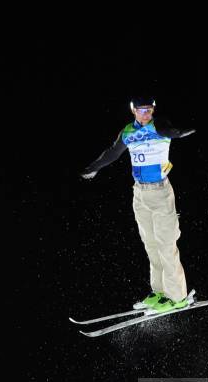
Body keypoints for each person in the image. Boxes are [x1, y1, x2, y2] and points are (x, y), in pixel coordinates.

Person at [81, 95, 196, 313]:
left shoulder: (158, 124)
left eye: (149, 110)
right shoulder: (128, 132)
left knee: (166, 244)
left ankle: (178, 296)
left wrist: (180, 133)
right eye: (141, 110)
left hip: (160, 192)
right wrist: (93, 167)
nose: (146, 114)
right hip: (140, 194)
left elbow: (170, 131)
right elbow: (113, 153)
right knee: (151, 245)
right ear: (133, 111)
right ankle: (160, 293)